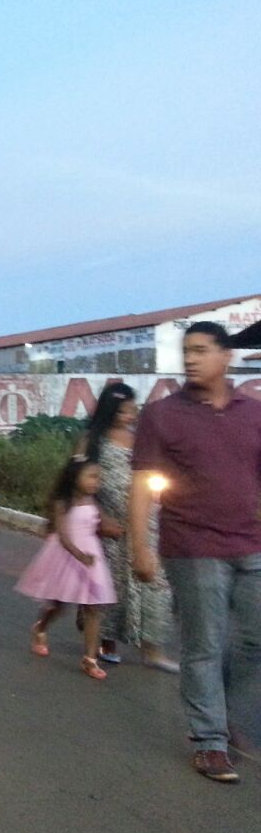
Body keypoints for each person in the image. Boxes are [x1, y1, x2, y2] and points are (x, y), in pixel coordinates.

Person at [131, 321, 261, 783]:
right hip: (192, 545)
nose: (190, 358)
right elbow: (144, 483)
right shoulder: (162, 415)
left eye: (201, 350)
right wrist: (140, 546)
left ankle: (219, 712)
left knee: (254, 641)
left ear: (226, 357)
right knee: (204, 645)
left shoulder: (254, 412)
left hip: (251, 543)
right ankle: (209, 741)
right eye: (186, 351)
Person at [81, 383, 177, 671]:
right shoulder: (90, 441)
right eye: (123, 410)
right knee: (111, 588)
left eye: (132, 410)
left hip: (146, 522)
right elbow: (78, 485)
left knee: (155, 586)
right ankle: (105, 642)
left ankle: (153, 651)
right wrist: (99, 517)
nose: (129, 416)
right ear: (110, 410)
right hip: (109, 527)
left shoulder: (139, 439)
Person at [17, 455, 118, 680]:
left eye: (98, 478)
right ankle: (40, 627)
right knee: (59, 605)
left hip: (91, 557)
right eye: (91, 476)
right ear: (74, 478)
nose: (96, 482)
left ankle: (90, 658)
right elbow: (63, 536)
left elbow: (103, 524)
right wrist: (79, 555)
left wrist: (113, 529)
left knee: (93, 607)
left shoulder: (93, 502)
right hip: (68, 557)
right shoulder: (63, 502)